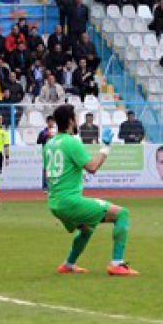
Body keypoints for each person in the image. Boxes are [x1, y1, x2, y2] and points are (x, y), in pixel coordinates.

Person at [44, 104, 139, 276]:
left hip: (54, 203)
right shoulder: (71, 142)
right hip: (70, 202)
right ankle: (117, 264)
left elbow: (50, 173)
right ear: (71, 121)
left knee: (87, 228)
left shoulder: (49, 144)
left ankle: (68, 265)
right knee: (121, 213)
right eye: (76, 117)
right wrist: (106, 147)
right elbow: (92, 167)